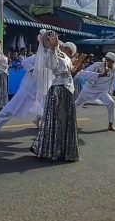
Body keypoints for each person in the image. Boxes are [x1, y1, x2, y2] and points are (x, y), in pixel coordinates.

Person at [0, 30, 55, 138]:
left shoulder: (55, 55)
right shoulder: (37, 57)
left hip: (44, 88)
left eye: (52, 39)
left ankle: (41, 123)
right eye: (47, 39)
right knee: (11, 107)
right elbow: (24, 62)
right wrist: (34, 70)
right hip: (29, 87)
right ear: (43, 41)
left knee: (46, 106)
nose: (50, 41)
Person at [30, 34, 83, 162]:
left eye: (70, 51)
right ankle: (54, 150)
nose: (67, 51)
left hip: (67, 90)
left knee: (65, 121)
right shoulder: (55, 53)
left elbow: (70, 75)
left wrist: (78, 67)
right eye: (67, 48)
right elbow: (52, 66)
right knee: (57, 120)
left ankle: (64, 151)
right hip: (58, 90)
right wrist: (53, 48)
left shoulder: (67, 58)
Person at [75, 52, 115, 132]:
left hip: (102, 92)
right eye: (107, 60)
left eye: (110, 60)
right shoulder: (97, 65)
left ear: (113, 62)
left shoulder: (114, 70)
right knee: (76, 105)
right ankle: (68, 119)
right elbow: (85, 72)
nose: (108, 62)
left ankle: (110, 125)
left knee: (111, 103)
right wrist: (98, 74)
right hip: (88, 90)